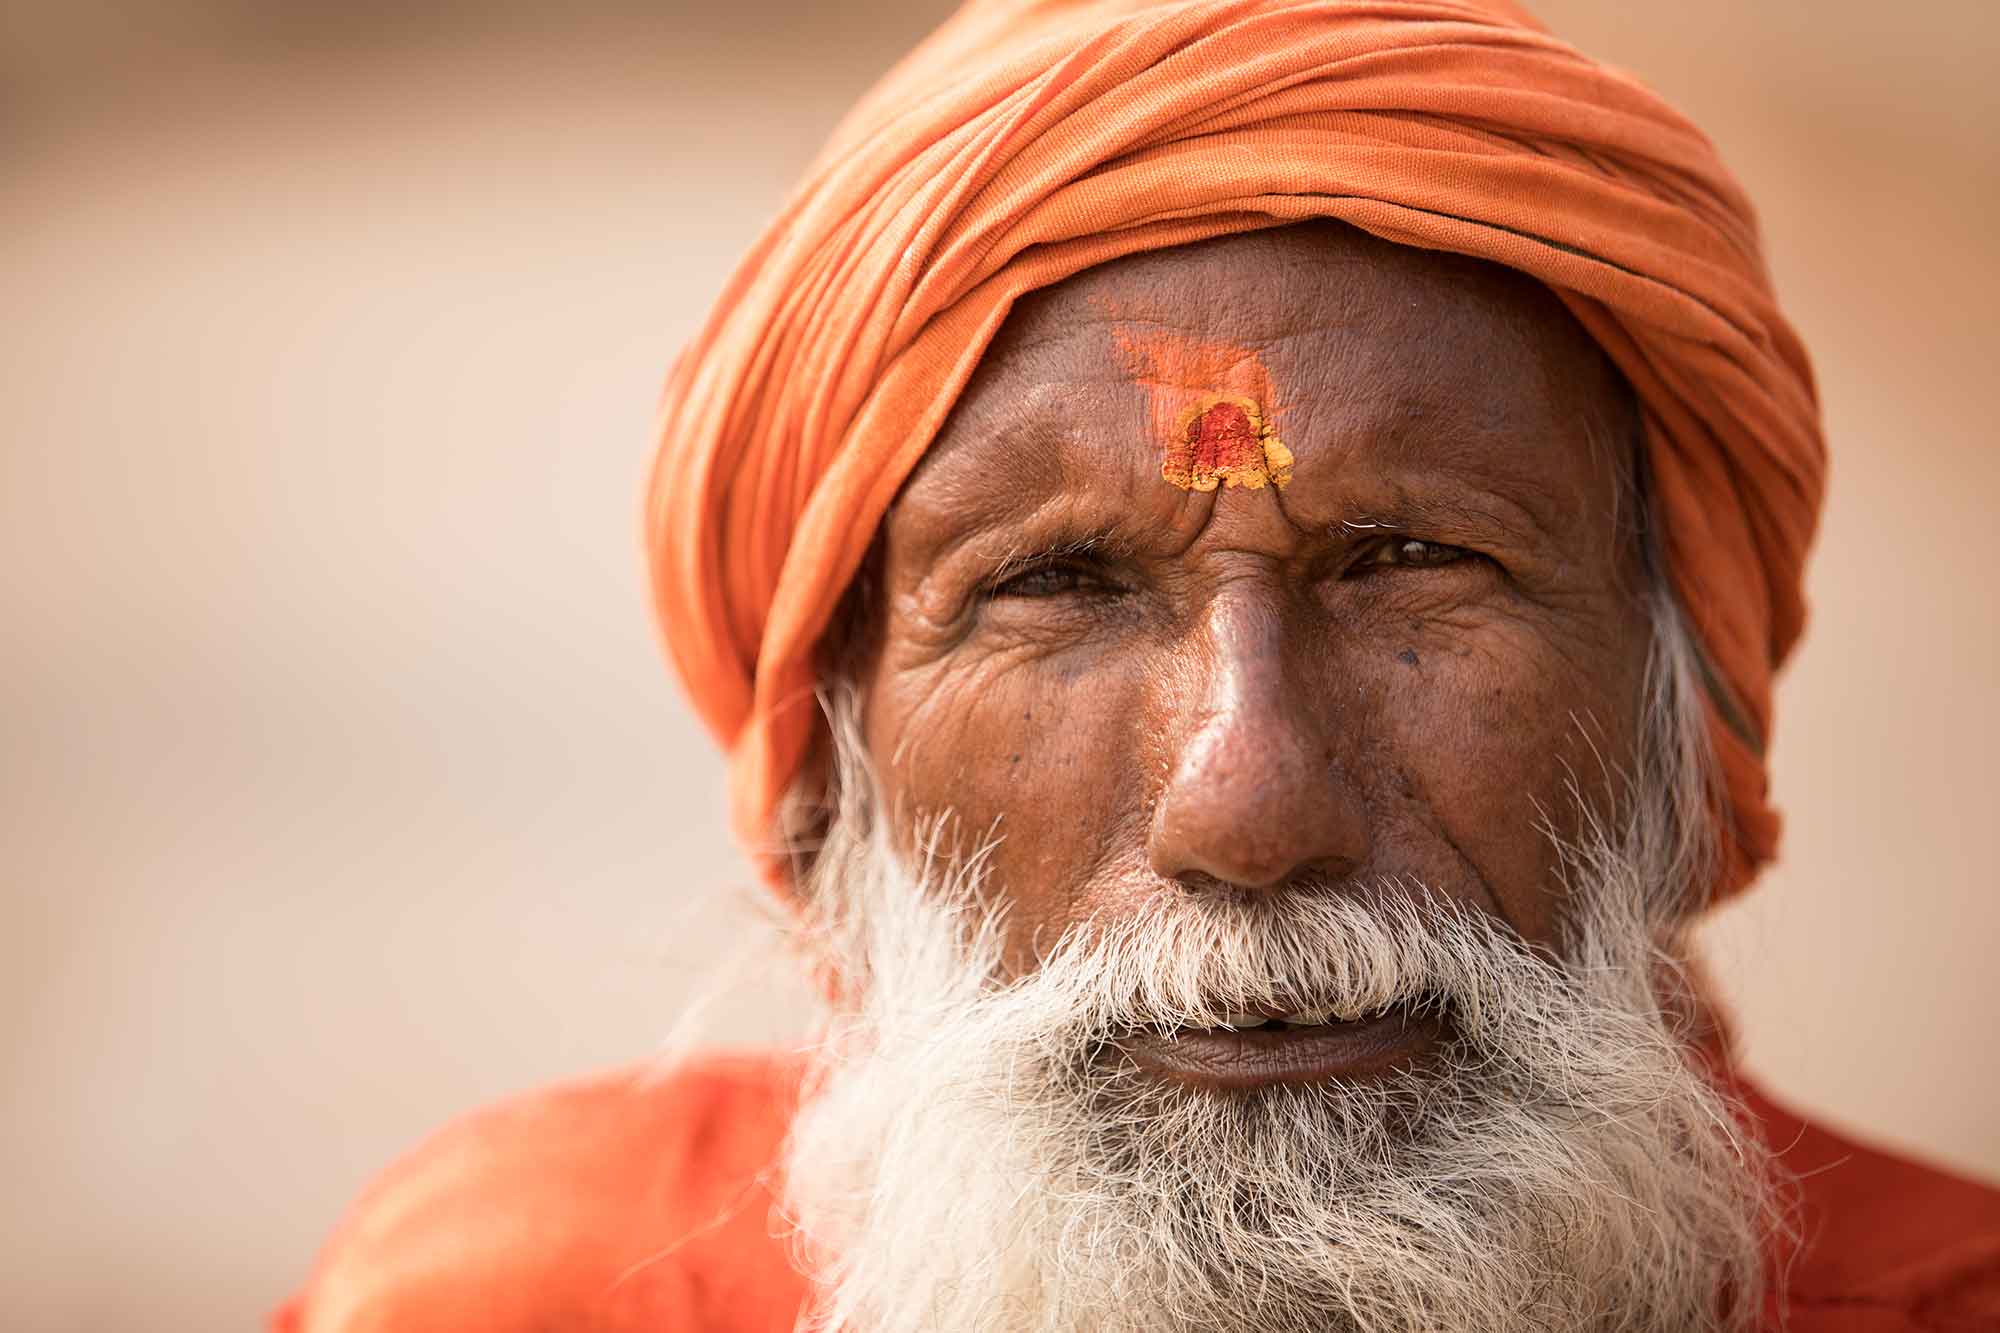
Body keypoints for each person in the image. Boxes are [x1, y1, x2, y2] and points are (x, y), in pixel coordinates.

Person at [274, 1, 2000, 1329]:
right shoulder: (512, 1296)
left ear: (1686, 739)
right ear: (823, 791)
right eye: (1060, 587)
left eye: (1416, 562)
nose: (1248, 801)